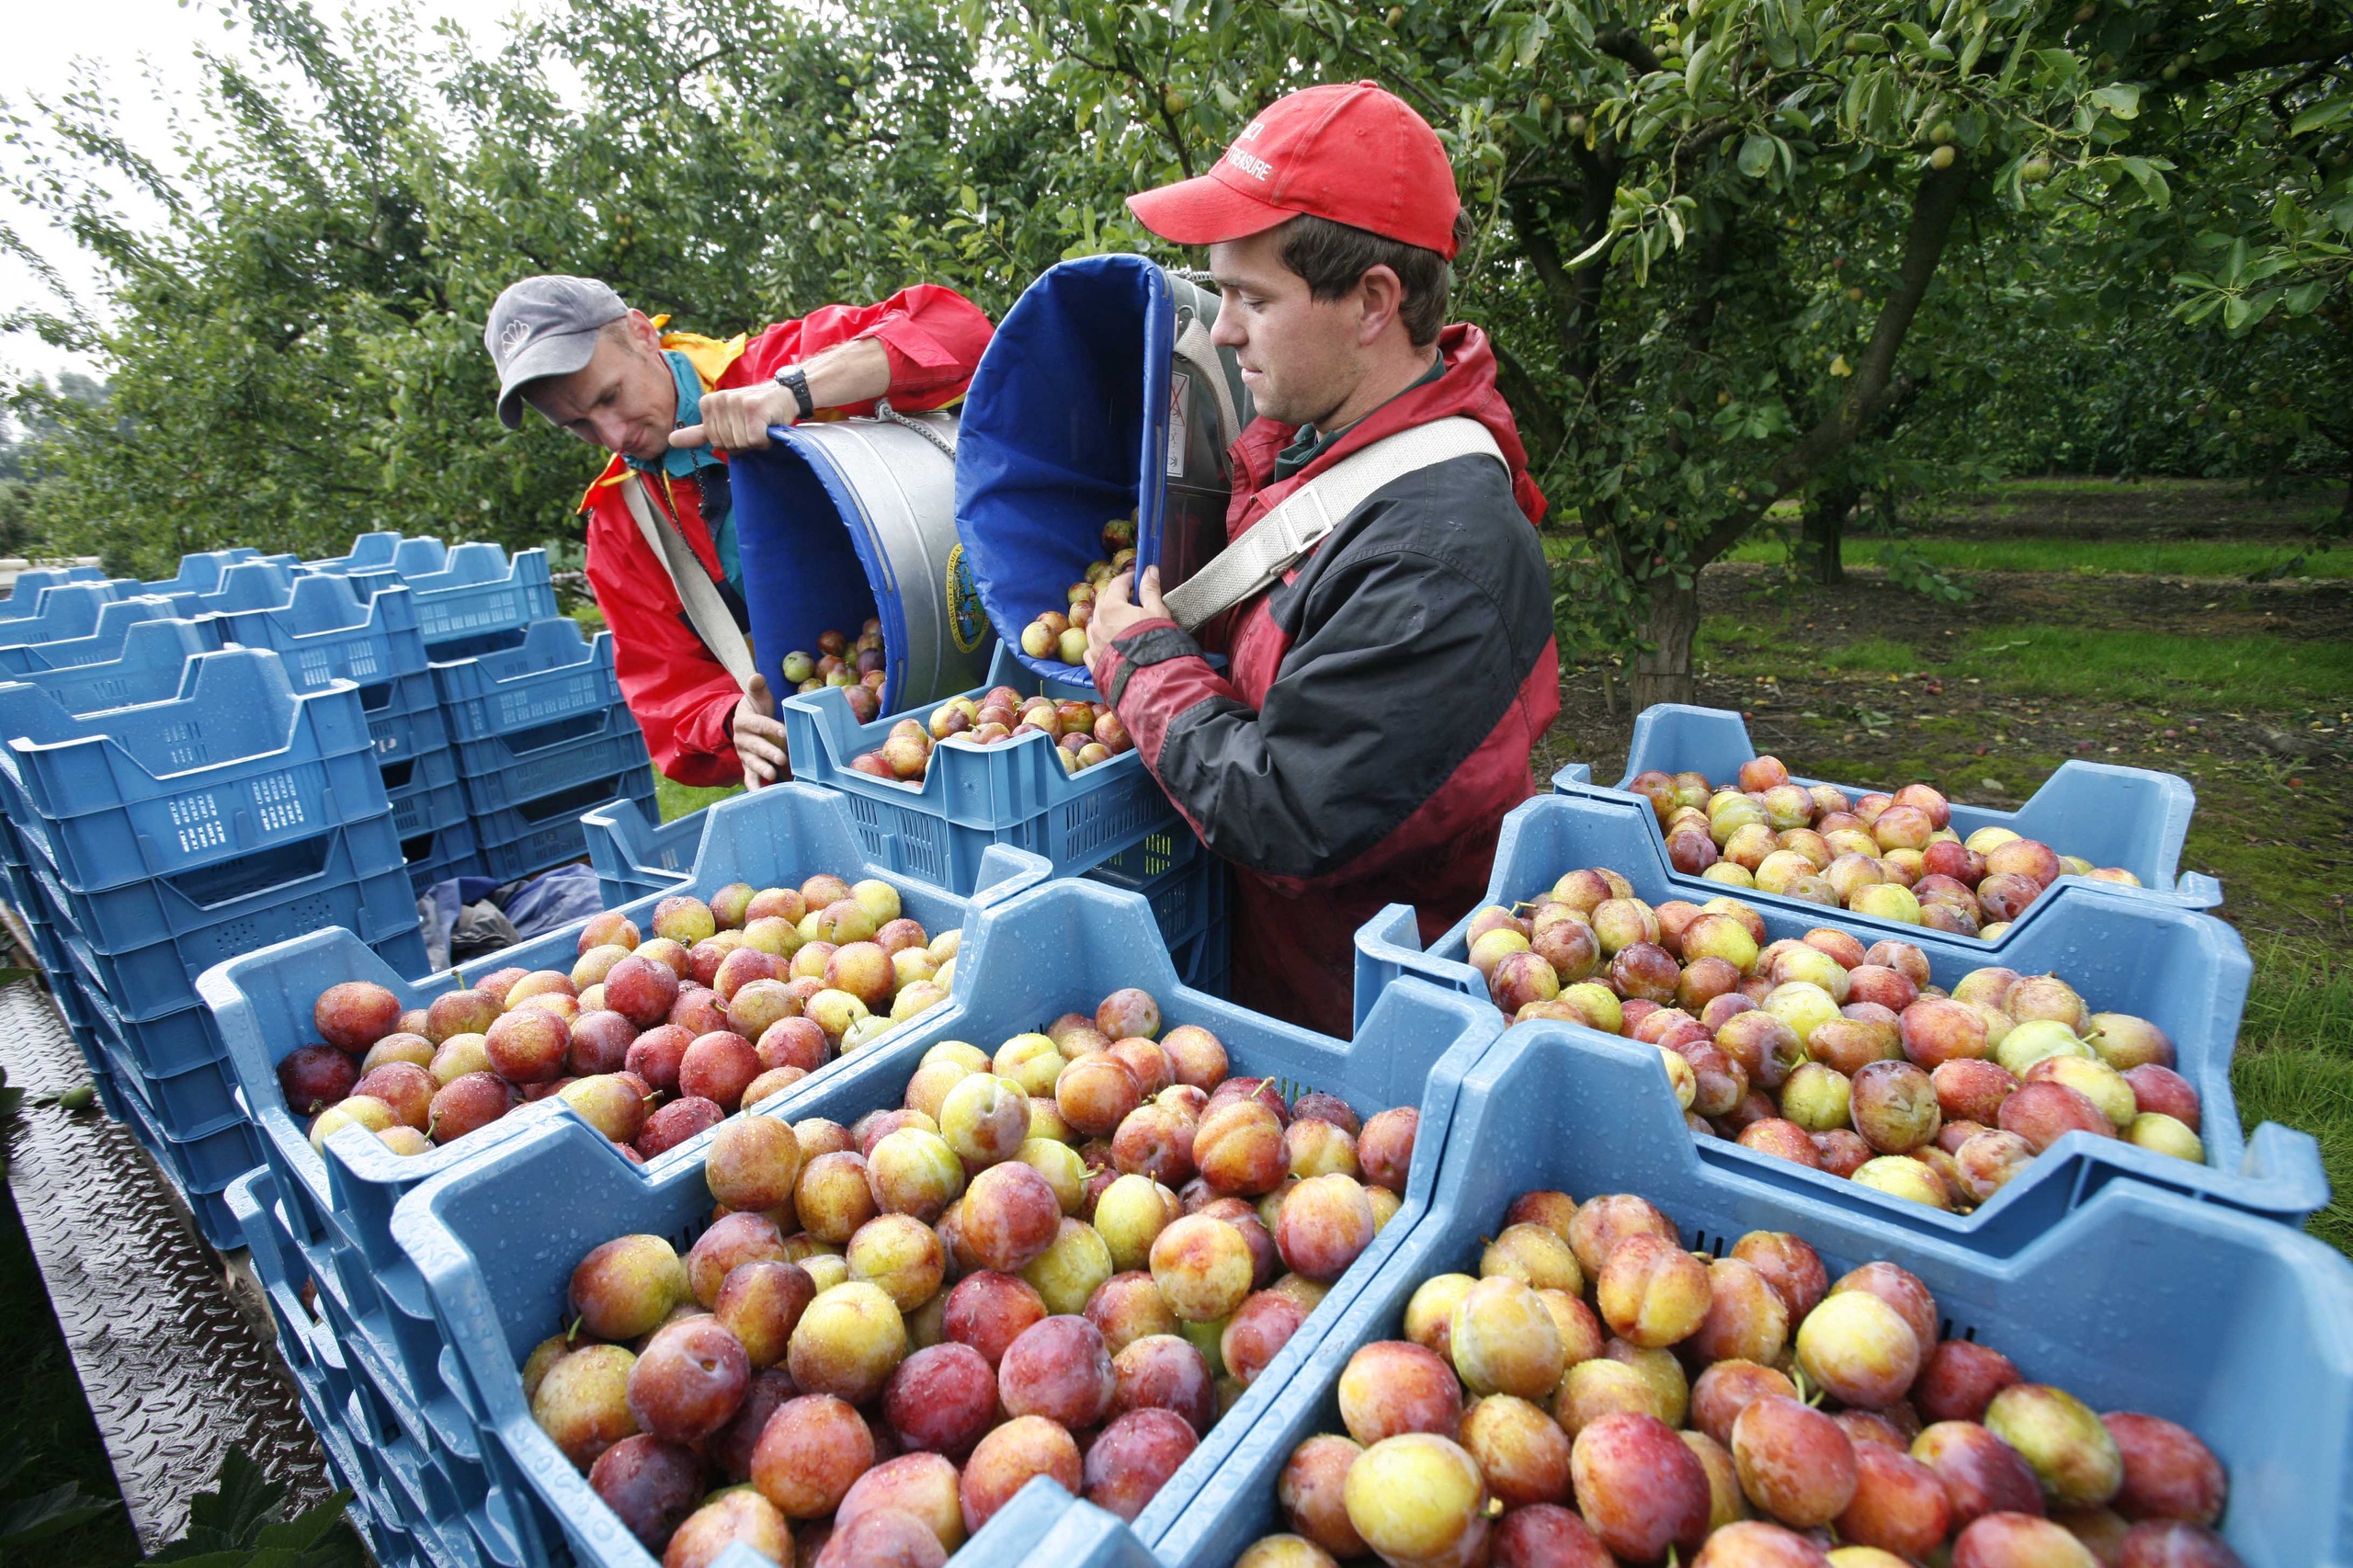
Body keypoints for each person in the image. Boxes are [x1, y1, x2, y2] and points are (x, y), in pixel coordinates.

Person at [1085, 82, 1560, 1038]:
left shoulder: (1436, 556)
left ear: (1372, 303)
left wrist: (1140, 664)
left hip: (1374, 1035)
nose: (1221, 330)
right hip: (1288, 982)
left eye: (1250, 298)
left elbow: (1290, 814)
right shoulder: (1314, 454)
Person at [483, 277, 993, 788]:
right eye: (578, 425)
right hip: (868, 746)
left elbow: (957, 331)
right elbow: (665, 687)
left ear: (640, 333)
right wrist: (730, 721)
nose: (613, 435)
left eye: (610, 396)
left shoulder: (770, 365)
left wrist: (795, 391)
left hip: (982, 662)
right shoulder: (624, 524)